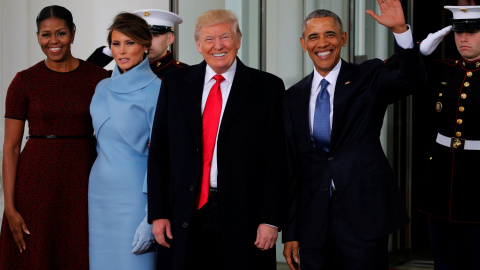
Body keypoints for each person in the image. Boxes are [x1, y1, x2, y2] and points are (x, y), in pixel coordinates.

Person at [282, 0, 425, 269]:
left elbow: (411, 80)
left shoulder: (367, 76)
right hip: (314, 222)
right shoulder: (292, 97)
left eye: (330, 35)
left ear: (344, 39)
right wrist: (291, 233)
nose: (322, 43)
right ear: (303, 44)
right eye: (313, 37)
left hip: (364, 214)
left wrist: (400, 30)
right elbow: (293, 170)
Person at [147, 9, 287, 270]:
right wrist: (159, 213)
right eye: (209, 39)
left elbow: (276, 160)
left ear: (238, 40)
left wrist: (270, 219)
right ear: (198, 45)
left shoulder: (267, 88)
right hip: (185, 213)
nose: (218, 45)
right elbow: (160, 152)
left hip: (244, 214)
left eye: (225, 37)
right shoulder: (175, 83)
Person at [0, 5, 109, 269]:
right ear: (38, 37)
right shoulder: (24, 81)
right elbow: (11, 148)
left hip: (83, 178)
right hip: (35, 183)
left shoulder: (99, 78)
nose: (53, 42)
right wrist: (10, 207)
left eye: (60, 33)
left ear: (72, 34)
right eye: (45, 35)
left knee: (79, 253)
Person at [88, 12, 160, 269]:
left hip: (135, 195)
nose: (122, 50)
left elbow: (161, 156)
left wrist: (152, 215)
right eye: (116, 43)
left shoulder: (157, 89)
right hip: (99, 193)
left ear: (145, 45)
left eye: (129, 43)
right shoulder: (101, 88)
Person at [416, 5, 480, 270]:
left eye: (472, 31)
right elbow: (396, 73)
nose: (463, 38)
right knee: (444, 261)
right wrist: (418, 51)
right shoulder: (442, 69)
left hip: (477, 183)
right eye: (458, 31)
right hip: (441, 180)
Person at [87, 9, 187, 79]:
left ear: (170, 39)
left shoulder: (183, 73)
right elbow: (84, 75)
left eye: (155, 36)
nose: (147, 41)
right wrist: (109, 50)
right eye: (140, 37)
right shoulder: (124, 70)